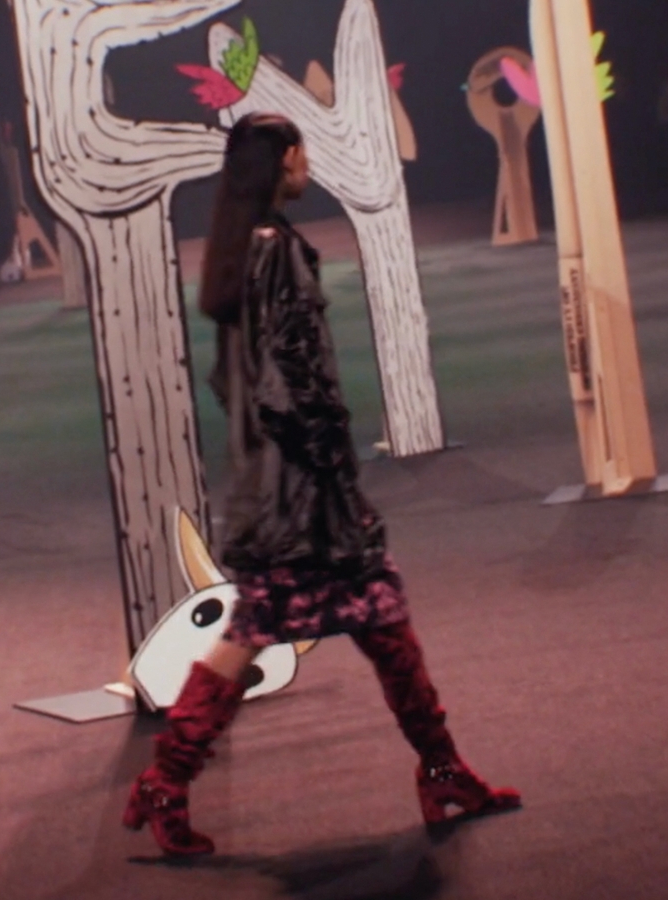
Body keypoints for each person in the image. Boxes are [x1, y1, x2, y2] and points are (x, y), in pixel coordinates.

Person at [122, 112, 521, 857]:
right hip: (306, 500)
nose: (308, 162)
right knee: (368, 621)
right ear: (283, 160)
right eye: (301, 150)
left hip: (279, 489)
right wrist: (331, 472)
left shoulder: (242, 250)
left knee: (323, 627)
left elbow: (235, 380)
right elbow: (292, 376)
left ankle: (168, 784)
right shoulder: (275, 251)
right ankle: (438, 770)